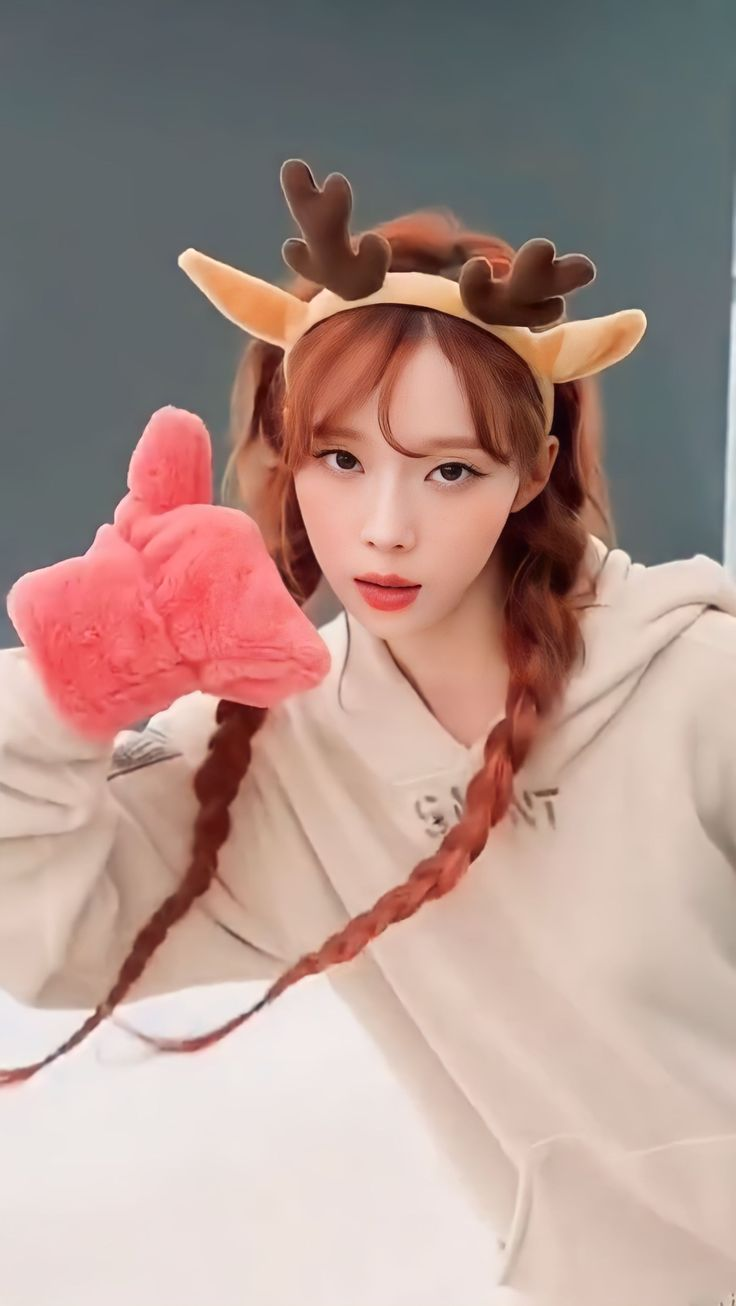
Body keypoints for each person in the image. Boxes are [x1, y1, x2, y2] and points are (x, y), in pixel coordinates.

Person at [1, 157, 735, 1306]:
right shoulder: (277, 751)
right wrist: (62, 697)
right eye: (341, 460)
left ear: (530, 472)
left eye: (449, 469)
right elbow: (48, 944)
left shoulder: (698, 686)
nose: (385, 528)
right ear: (288, 450)